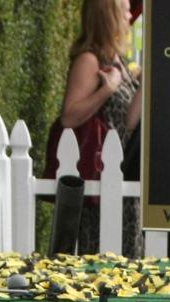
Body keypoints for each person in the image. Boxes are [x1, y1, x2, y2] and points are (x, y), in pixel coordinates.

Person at [53, 0, 143, 256]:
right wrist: (107, 89)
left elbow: (128, 122)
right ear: (109, 15)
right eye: (124, 9)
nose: (129, 15)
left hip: (121, 180)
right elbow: (69, 116)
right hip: (98, 188)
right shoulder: (90, 60)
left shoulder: (118, 61)